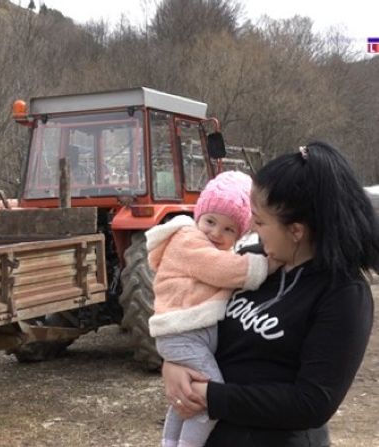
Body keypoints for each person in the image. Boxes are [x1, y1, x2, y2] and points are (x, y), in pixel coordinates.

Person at [162, 142, 378, 447]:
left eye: (260, 222)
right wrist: (173, 364)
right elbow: (195, 320)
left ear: (296, 231)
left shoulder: (343, 294)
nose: (252, 229)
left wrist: (210, 396)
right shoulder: (249, 264)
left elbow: (312, 403)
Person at [146, 171, 273, 447]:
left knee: (188, 396)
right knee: (209, 397)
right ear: (198, 216)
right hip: (183, 333)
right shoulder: (188, 241)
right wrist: (265, 265)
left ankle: (169, 442)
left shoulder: (210, 246)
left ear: (241, 233)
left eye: (229, 229)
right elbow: (223, 270)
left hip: (189, 334)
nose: (216, 233)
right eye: (211, 222)